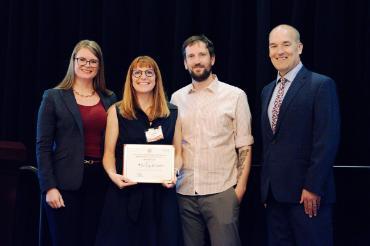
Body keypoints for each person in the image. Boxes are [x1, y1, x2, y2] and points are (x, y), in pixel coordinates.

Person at [260, 24, 340, 246]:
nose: (279, 51)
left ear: (300, 47)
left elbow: (326, 141)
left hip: (308, 197)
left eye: (286, 44)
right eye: (273, 46)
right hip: (275, 197)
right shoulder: (267, 91)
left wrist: (313, 187)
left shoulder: (321, 85)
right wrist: (266, 189)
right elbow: (271, 144)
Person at [171, 35, 254, 246]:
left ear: (212, 59)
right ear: (185, 63)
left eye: (202, 55)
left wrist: (239, 190)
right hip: (185, 192)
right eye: (191, 56)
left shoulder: (235, 96)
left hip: (222, 192)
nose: (197, 60)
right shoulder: (176, 99)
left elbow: (244, 145)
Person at [95, 56, 183, 246]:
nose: (143, 77)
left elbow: (178, 154)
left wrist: (174, 173)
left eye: (149, 72)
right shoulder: (117, 111)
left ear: (156, 78)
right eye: (138, 73)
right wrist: (113, 175)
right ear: (131, 78)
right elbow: (108, 154)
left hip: (162, 195)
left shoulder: (172, 112)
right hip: (125, 194)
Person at [36, 40, 117, 246]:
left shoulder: (109, 98)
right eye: (82, 59)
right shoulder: (53, 97)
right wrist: (49, 187)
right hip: (63, 184)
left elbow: (116, 141)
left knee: (92, 241)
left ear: (99, 66)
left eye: (93, 61)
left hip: (99, 182)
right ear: (73, 61)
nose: (87, 65)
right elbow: (43, 146)